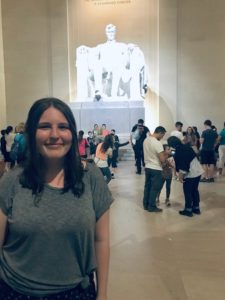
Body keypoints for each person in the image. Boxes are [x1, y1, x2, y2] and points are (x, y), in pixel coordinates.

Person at [0, 97, 113, 300]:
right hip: (16, 292)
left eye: (63, 127)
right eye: (44, 126)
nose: (54, 135)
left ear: (72, 132)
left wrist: (102, 295)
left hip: (76, 292)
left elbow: (101, 240)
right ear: (32, 133)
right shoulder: (11, 181)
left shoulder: (91, 177)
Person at [167, 136, 204, 217]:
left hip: (191, 174)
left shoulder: (179, 151)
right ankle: (196, 208)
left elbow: (183, 167)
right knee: (194, 190)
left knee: (188, 191)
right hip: (198, 171)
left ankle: (188, 210)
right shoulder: (186, 147)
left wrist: (180, 177)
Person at [143, 126, 166, 212]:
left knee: (147, 187)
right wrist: (164, 164)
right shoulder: (157, 143)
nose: (162, 137)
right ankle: (151, 206)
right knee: (154, 188)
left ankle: (145, 204)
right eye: (162, 135)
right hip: (156, 168)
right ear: (160, 133)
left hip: (147, 167)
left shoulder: (146, 140)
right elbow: (162, 159)